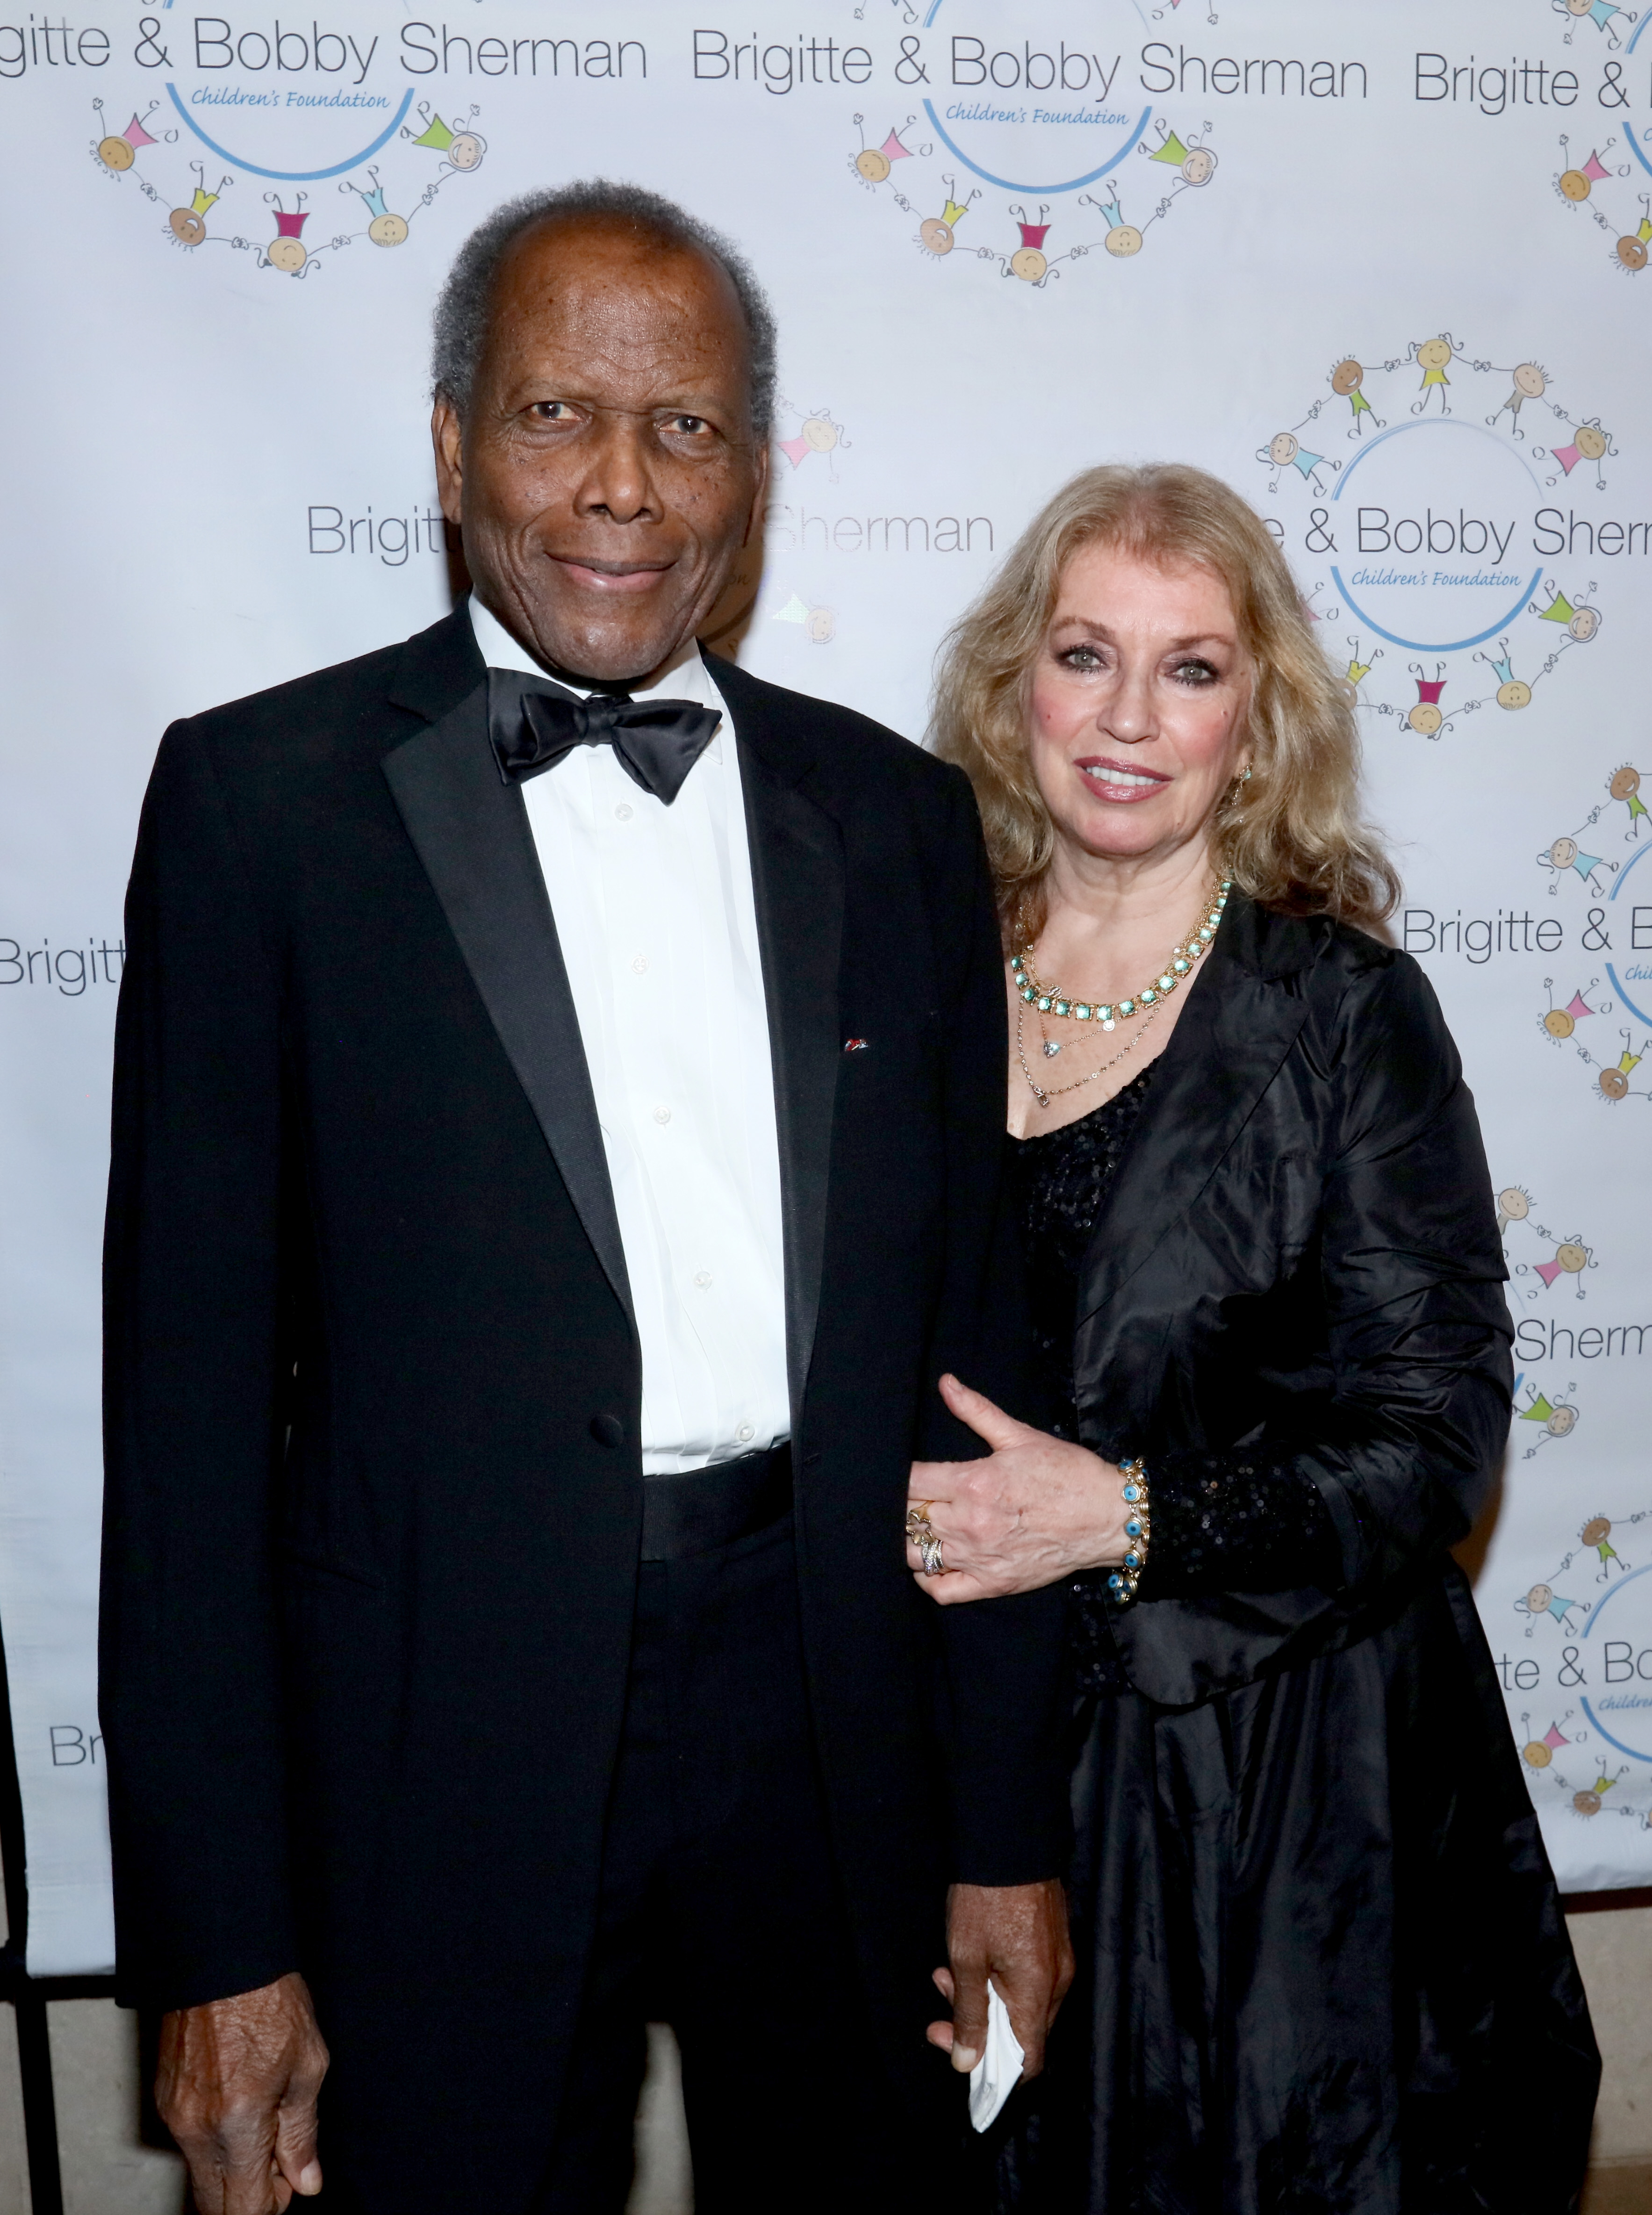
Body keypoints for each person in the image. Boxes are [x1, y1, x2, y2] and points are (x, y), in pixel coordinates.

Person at [99, 180, 1074, 2215]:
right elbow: (183, 1432)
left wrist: (1003, 1826)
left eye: (685, 427)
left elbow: (978, 1364)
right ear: (452, 445)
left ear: (755, 476)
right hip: (430, 1744)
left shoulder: (896, 823)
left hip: (832, 1716)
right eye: (555, 415)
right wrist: (218, 1937)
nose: (621, 485)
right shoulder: (260, 808)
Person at [905, 465, 1601, 2210]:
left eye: (1192, 669)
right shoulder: (905, 979)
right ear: (1014, 681)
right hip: (976, 1763)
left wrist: (1125, 1514)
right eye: (1086, 655)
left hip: (1280, 1801)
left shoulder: (1342, 1012)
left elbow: (1434, 1441)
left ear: (1256, 717)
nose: (1129, 718)